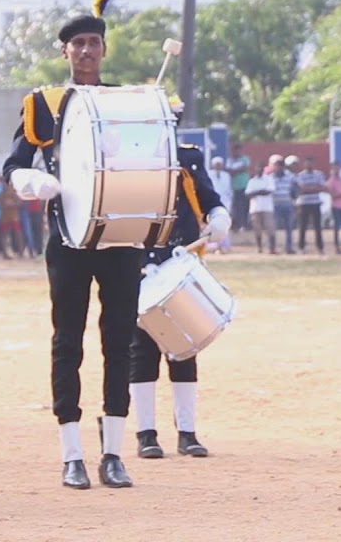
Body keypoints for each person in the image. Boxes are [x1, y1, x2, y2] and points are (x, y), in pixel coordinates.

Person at [2, 0, 142, 490]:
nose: (86, 51)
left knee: (120, 341)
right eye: (77, 43)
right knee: (68, 342)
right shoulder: (46, 103)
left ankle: (114, 453)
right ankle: (72, 454)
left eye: (93, 43)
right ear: (64, 51)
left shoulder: (128, 101)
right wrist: (29, 180)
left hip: (123, 236)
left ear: (104, 50)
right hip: (68, 238)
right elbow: (14, 162)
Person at [130, 97, 231, 459]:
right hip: (140, 263)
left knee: (185, 346)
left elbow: (208, 198)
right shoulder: (128, 164)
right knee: (140, 352)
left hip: (180, 260)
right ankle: (146, 434)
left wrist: (218, 218)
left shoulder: (189, 157)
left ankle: (187, 432)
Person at [294, 157, 326, 255]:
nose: (309, 165)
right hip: (304, 203)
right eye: (307, 163)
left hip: (315, 203)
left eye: (310, 163)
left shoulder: (319, 174)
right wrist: (314, 188)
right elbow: (302, 189)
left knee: (318, 226)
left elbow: (321, 187)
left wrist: (309, 189)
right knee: (303, 226)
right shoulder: (300, 175)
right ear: (304, 164)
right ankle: (301, 247)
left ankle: (320, 247)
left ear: (313, 164)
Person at [245, 161, 276, 254]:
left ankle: (272, 248)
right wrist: (261, 191)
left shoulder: (269, 179)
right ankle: (259, 248)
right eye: (257, 168)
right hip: (255, 208)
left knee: (270, 228)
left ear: (263, 170)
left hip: (267, 208)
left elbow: (269, 191)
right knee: (257, 229)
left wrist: (256, 192)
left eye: (261, 168)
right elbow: (248, 194)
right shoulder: (252, 181)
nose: (259, 170)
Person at [207, 157, 232, 252]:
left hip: (225, 202)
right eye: (216, 164)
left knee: (224, 224)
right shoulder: (209, 174)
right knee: (212, 224)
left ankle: (224, 246)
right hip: (212, 202)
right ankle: (213, 246)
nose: (218, 166)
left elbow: (229, 190)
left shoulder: (226, 175)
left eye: (220, 164)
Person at [225, 144, 251, 232]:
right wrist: (238, 170)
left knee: (245, 207)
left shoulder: (245, 159)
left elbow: (245, 168)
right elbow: (229, 172)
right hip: (234, 187)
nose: (237, 152)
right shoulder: (229, 160)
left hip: (245, 186)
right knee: (237, 207)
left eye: (238, 150)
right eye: (235, 150)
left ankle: (245, 225)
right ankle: (238, 225)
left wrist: (235, 171)